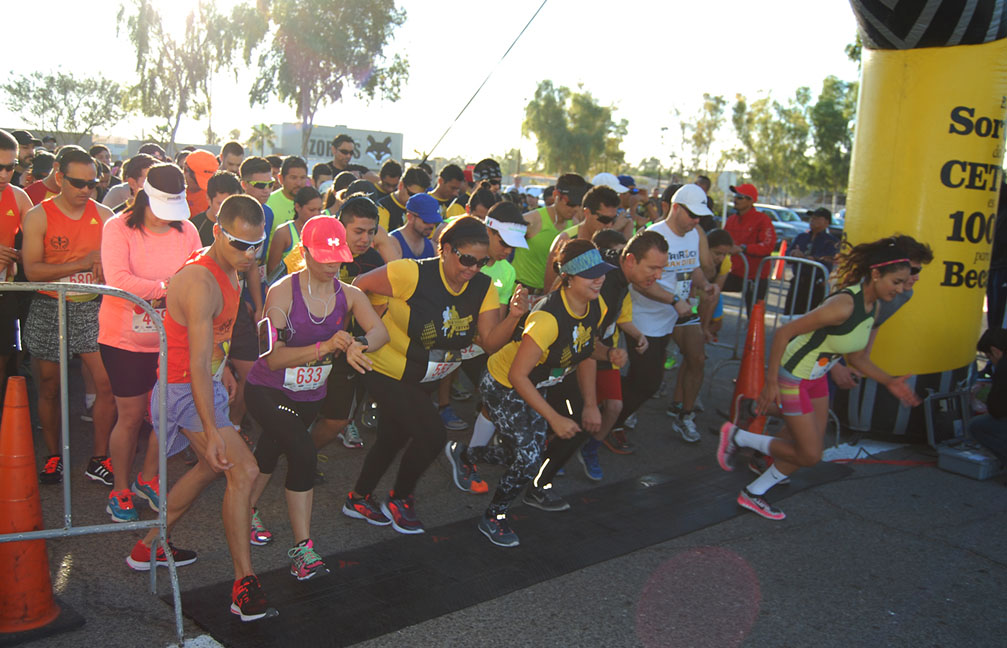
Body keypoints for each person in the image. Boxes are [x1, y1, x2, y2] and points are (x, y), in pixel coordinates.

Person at [125, 194, 277, 622]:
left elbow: (215, 341)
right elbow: (192, 361)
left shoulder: (231, 267)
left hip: (201, 383)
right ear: (217, 233)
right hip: (181, 390)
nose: (249, 254)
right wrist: (211, 431)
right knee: (241, 470)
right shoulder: (200, 280)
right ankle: (243, 583)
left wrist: (223, 369)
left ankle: (149, 546)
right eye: (239, 245)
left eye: (256, 245)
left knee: (212, 469)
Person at [717, 237, 923, 520]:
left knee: (808, 446)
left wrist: (889, 381)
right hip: (794, 376)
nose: (900, 289)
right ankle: (739, 436)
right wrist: (772, 382)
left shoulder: (872, 306)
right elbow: (783, 333)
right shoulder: (843, 305)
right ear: (876, 275)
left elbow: (858, 358)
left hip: (818, 376)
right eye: (896, 282)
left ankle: (753, 492)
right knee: (810, 455)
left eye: (904, 282)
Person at [344, 217, 515, 534]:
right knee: (432, 434)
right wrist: (372, 322)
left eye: (482, 262)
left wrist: (515, 315)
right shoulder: (412, 272)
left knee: (393, 438)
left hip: (426, 377)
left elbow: (490, 341)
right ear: (447, 250)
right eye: (466, 259)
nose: (473, 269)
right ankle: (400, 499)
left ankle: (358, 498)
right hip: (384, 370)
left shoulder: (483, 286)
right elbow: (358, 287)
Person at [245, 215, 388, 580]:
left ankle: (242, 510)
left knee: (269, 452)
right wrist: (325, 346)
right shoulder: (281, 292)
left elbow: (380, 331)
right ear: (305, 251)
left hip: (309, 394)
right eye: (323, 255)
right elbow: (272, 357)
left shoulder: (350, 294)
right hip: (267, 389)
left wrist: (357, 344)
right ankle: (303, 550)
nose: (331, 264)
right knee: (303, 452)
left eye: (337, 256)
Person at [444, 239, 613, 547]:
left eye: (601, 271)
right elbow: (516, 375)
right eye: (591, 274)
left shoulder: (596, 305)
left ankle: (465, 453)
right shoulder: (547, 318)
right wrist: (555, 417)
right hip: (503, 383)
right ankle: (494, 517)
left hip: (534, 385)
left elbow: (586, 352)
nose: (600, 279)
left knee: (527, 459)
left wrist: (591, 402)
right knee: (528, 457)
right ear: (569, 278)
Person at [100, 163, 202, 522]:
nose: (167, 217)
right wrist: (165, 290)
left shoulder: (187, 229)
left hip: (172, 338)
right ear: (144, 195)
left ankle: (148, 478)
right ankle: (121, 489)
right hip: (124, 339)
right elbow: (117, 279)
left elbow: (197, 272)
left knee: (165, 416)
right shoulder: (117, 227)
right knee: (129, 417)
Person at [21, 145, 116, 486]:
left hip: (91, 306)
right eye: (78, 183)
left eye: (92, 183)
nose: (86, 190)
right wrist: (81, 261)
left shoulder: (105, 216)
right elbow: (31, 271)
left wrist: (106, 270)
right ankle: (53, 456)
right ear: (59, 177)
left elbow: (114, 268)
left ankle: (99, 457)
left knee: (106, 384)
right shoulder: (38, 215)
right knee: (49, 386)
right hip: (50, 305)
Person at [513, 173, 591, 292]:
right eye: (571, 203)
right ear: (556, 195)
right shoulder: (532, 221)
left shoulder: (575, 225)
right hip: (520, 292)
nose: (575, 209)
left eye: (579, 204)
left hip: (551, 294)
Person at [0, 130, 33, 397]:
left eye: (10, 167)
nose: (3, 174)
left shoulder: (19, 197)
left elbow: (37, 246)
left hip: (5, 293)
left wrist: (20, 255)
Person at [544, 185, 620, 291]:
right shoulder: (566, 240)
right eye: (605, 219)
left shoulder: (613, 240)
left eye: (614, 220)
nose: (609, 225)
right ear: (587, 213)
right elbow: (549, 288)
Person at [723, 183, 775, 314]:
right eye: (735, 196)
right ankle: (704, 324)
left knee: (754, 318)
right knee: (707, 288)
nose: (735, 199)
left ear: (751, 200)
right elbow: (722, 241)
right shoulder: (731, 219)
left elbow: (768, 246)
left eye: (740, 197)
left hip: (756, 277)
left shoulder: (762, 219)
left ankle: (753, 335)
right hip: (736, 274)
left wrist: (744, 248)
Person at [786, 207, 838, 315]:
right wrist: (793, 254)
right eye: (812, 217)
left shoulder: (831, 241)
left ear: (826, 222)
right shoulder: (802, 237)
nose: (813, 220)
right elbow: (788, 253)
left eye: (817, 218)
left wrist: (805, 257)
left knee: (812, 317)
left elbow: (826, 259)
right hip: (798, 282)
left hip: (816, 285)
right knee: (790, 314)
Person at [265, 186, 323, 284]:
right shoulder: (283, 232)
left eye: (319, 210)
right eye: (312, 210)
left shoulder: (324, 231)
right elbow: (272, 273)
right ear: (297, 207)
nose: (317, 214)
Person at [969, 329, 1007, 463]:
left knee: (976, 426)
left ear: (995, 351)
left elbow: (997, 410)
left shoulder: (1003, 366)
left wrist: (981, 396)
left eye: (989, 357)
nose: (991, 361)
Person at [190, 171, 242, 247]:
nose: (227, 210)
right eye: (220, 204)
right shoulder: (195, 227)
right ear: (208, 199)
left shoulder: (245, 226)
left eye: (232, 204)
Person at [265, 155, 308, 243]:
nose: (299, 183)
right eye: (293, 178)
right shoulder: (268, 203)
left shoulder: (312, 203)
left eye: (303, 178)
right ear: (281, 178)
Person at [376, 166, 430, 233]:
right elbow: (381, 240)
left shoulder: (423, 208)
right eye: (411, 194)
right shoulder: (382, 207)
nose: (416, 200)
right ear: (401, 185)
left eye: (420, 197)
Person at [391, 193, 440, 259]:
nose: (431, 225)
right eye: (426, 221)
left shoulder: (433, 248)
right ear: (410, 217)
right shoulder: (393, 243)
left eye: (434, 221)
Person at [183, 150, 218, 218]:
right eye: (197, 182)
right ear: (185, 170)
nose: (203, 187)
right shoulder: (175, 194)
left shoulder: (215, 197)